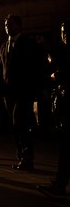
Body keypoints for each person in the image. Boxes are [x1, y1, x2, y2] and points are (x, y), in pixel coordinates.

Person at [0, 14, 45, 170]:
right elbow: (0, 69)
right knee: (15, 125)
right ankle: (22, 156)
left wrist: (37, 87)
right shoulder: (4, 46)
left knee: (19, 123)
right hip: (9, 93)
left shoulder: (28, 43)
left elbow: (37, 65)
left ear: (19, 26)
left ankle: (27, 157)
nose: (8, 27)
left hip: (24, 91)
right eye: (6, 25)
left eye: (11, 24)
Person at [38, 20, 70, 197]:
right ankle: (59, 183)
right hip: (64, 104)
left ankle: (59, 184)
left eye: (67, 32)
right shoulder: (62, 52)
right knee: (66, 147)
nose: (64, 36)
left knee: (66, 147)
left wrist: (57, 75)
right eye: (63, 32)